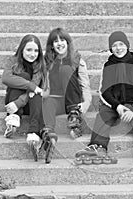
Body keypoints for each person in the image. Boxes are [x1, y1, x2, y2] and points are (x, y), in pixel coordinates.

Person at [74, 31, 133, 166]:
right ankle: (98, 146)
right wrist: (117, 106)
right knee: (103, 115)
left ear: (127, 45)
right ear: (111, 48)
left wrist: (132, 108)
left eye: (121, 44)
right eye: (114, 45)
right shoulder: (108, 65)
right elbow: (104, 91)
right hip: (114, 104)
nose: (118, 48)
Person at [41, 27, 92, 164]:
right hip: (56, 100)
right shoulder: (47, 61)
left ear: (68, 42)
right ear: (51, 45)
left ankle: (75, 118)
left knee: (65, 70)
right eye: (55, 41)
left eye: (62, 40)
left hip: (72, 101)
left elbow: (85, 84)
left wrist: (86, 103)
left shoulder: (77, 59)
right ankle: (49, 134)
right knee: (48, 100)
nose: (59, 44)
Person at [2, 34, 45, 162]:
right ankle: (14, 117)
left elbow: (36, 89)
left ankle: (33, 133)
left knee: (37, 94)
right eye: (29, 50)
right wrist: (30, 85)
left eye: (36, 50)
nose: (32, 54)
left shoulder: (40, 65)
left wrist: (19, 102)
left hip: (29, 103)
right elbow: (6, 78)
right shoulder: (13, 61)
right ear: (22, 50)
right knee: (23, 77)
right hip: (13, 101)